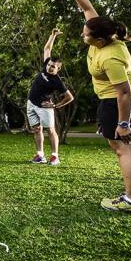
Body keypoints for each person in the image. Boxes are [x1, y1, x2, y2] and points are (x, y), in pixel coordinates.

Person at [64, 0, 131, 214]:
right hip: (111, 99)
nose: (82, 34)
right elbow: (87, 7)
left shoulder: (111, 56)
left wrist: (123, 123)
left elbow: (125, 92)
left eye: (85, 34)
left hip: (119, 101)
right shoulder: (101, 34)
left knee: (123, 148)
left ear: (98, 40)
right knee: (119, 147)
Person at [27, 29, 75, 166]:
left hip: (44, 107)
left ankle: (55, 156)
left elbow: (69, 97)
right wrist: (53, 35)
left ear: (58, 69)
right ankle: (40, 155)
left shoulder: (57, 81)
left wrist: (55, 106)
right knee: (36, 129)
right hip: (31, 103)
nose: (49, 67)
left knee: (51, 130)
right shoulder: (46, 64)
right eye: (49, 65)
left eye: (53, 67)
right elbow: (47, 48)